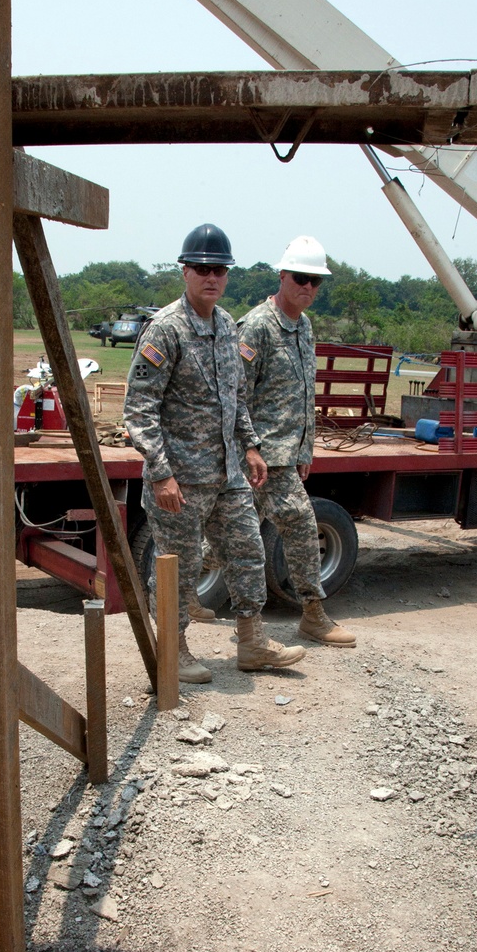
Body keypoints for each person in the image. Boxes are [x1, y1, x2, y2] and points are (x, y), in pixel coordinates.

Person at [123, 224, 306, 682]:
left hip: (228, 477)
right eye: (202, 269)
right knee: (177, 568)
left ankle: (252, 643)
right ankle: (174, 649)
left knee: (248, 553)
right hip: (180, 481)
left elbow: (237, 396)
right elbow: (139, 408)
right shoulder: (165, 329)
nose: (212, 277)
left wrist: (251, 446)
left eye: (219, 270)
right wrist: (160, 473)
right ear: (185, 271)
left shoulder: (227, 326)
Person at [237, 236, 357, 647]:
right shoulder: (257, 326)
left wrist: (306, 448)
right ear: (282, 276)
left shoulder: (304, 326)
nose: (308, 288)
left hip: (288, 453)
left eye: (316, 282)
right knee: (303, 527)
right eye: (301, 278)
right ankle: (312, 614)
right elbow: (237, 394)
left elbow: (306, 391)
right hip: (263, 454)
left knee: (234, 537)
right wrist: (249, 448)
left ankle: (185, 602)